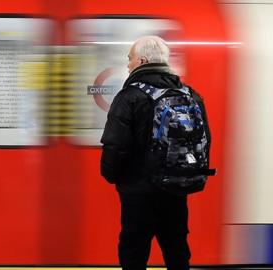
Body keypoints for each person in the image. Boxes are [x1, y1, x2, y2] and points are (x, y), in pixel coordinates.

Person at [100, 36, 210, 270]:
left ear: (142, 61)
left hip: (138, 193)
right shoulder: (191, 95)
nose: (128, 64)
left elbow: (115, 144)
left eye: (129, 59)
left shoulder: (129, 96)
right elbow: (204, 139)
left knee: (134, 253)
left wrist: (112, 175)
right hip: (176, 189)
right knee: (177, 250)